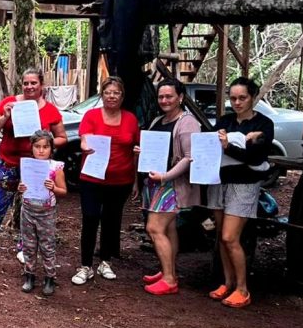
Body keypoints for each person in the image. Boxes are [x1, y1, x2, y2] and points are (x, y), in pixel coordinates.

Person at [0, 68, 67, 265]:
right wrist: (4, 117)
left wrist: (46, 142)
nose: (29, 87)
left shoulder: (50, 110)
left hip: (35, 167)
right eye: (26, 83)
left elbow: (63, 137)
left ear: (41, 85)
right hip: (9, 163)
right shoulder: (9, 104)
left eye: (33, 83)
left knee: (30, 207)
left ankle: (24, 248)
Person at [206, 77, 274, 308]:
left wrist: (229, 146)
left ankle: (243, 289)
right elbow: (211, 148)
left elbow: (255, 157)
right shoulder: (224, 121)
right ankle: (227, 282)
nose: (237, 102)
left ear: (253, 97)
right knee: (221, 238)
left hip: (244, 184)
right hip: (219, 182)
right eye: (233, 98)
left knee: (230, 237)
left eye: (242, 98)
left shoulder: (264, 124)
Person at [72, 76, 139, 285]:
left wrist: (136, 180)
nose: (112, 96)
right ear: (102, 94)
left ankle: (105, 262)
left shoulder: (130, 119)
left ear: (122, 96)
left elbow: (136, 149)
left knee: (112, 221)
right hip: (92, 178)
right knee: (90, 218)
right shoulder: (91, 115)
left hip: (121, 180)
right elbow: (84, 138)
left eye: (116, 92)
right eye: (108, 92)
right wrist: (84, 145)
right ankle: (85, 266)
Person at [140, 79, 201, 295]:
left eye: (169, 96)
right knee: (169, 228)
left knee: (154, 228)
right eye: (161, 96)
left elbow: (189, 157)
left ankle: (169, 279)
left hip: (171, 184)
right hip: (155, 182)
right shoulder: (160, 119)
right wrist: (143, 152)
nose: (164, 100)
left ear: (181, 97)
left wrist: (166, 176)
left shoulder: (187, 123)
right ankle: (169, 271)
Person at [17, 130, 67, 296]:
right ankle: (29, 275)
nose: (41, 150)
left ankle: (49, 277)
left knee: (47, 246)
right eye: (37, 146)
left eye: (45, 147)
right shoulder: (27, 166)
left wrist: (54, 188)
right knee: (29, 245)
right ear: (31, 148)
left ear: (51, 148)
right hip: (28, 211)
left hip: (46, 213)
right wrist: (20, 189)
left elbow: (63, 191)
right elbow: (23, 186)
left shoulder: (56, 167)